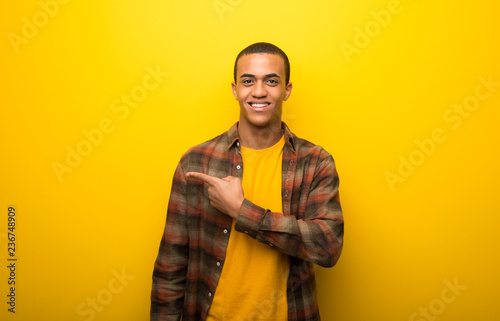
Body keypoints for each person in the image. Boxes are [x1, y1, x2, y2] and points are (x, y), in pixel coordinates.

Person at [151, 42, 344, 321]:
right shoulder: (196, 163)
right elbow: (171, 267)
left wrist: (241, 211)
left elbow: (328, 246)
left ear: (287, 90)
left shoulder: (315, 163)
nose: (259, 91)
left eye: (272, 81)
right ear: (235, 89)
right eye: (248, 81)